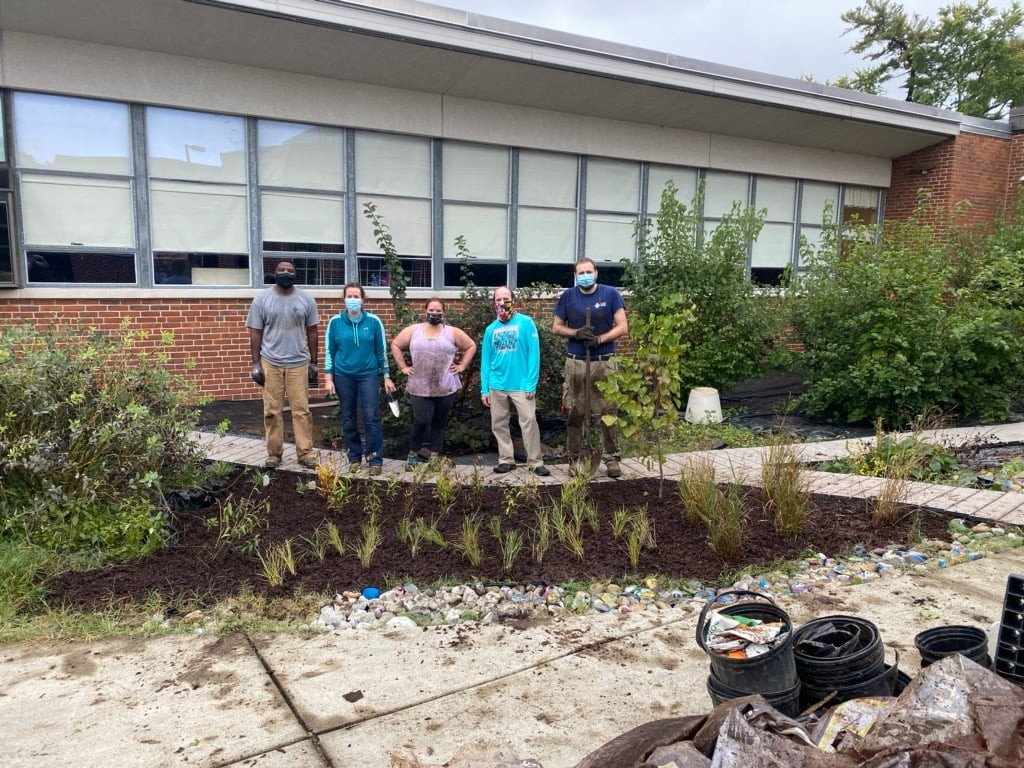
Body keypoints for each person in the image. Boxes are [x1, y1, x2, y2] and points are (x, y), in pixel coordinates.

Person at [552, 257, 629, 477]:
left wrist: (600, 339)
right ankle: (575, 458)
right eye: (580, 272)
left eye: (588, 271)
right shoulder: (568, 297)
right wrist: (575, 333)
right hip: (576, 362)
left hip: (603, 362)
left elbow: (623, 326)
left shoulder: (610, 294)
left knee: (607, 411)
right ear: (575, 276)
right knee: (575, 411)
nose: (585, 275)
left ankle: (612, 458)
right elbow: (556, 327)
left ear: (596, 273)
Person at [245, 260, 320, 469]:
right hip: (271, 362)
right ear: (275, 273)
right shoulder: (262, 299)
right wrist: (255, 364)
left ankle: (305, 453)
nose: (286, 273)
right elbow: (255, 332)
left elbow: (312, 331)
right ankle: (274, 454)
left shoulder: (306, 299)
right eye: (282, 270)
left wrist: (314, 362)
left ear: (295, 274)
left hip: (298, 363)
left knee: (301, 410)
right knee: (272, 411)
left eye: (290, 270)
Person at [390, 298, 478, 470]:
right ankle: (413, 453)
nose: (435, 313)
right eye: (432, 310)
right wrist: (403, 367)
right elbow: (395, 345)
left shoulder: (451, 332)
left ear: (443, 312)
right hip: (419, 385)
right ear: (425, 311)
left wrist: (462, 366)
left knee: (439, 422)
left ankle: (434, 457)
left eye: (438, 311)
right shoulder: (414, 330)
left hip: (445, 386)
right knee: (421, 421)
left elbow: (471, 346)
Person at [323, 282, 396, 476]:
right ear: (344, 299)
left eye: (356, 296)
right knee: (348, 417)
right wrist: (328, 378)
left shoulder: (373, 322)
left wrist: (386, 376)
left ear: (363, 300)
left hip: (368, 375)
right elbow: (330, 352)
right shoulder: (335, 322)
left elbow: (381, 352)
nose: (353, 300)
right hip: (343, 375)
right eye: (349, 296)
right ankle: (354, 457)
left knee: (371, 417)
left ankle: (375, 459)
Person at [480, 286, 550, 476]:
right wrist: (484, 389)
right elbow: (486, 361)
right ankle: (506, 460)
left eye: (506, 298)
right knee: (499, 424)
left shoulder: (526, 323)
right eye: (498, 299)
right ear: (494, 303)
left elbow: (533, 355)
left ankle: (535, 462)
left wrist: (531, 383)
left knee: (529, 421)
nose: (502, 302)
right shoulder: (490, 330)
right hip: (497, 384)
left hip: (521, 385)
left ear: (513, 300)